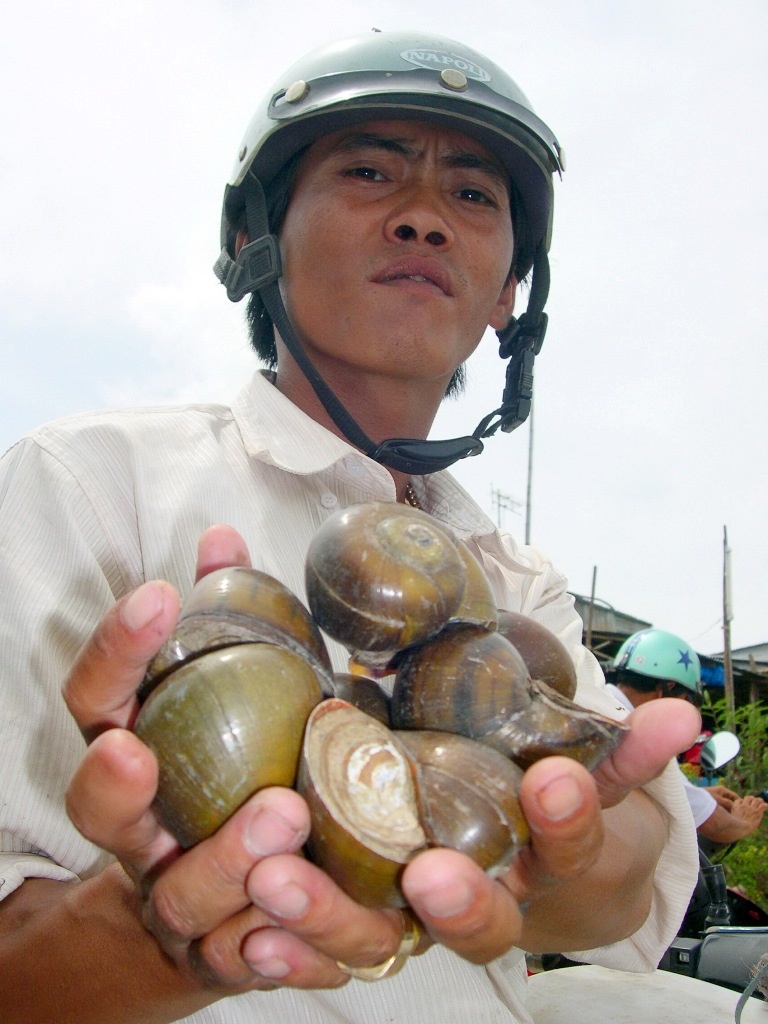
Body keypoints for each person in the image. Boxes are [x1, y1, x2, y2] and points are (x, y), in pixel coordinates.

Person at [0, 30, 701, 1024]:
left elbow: (620, 898)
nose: (423, 216)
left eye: (473, 194)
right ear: (254, 240)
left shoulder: (515, 579)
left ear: (510, 292)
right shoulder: (91, 485)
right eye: (370, 171)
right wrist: (160, 937)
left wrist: (561, 842)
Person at [605, 628, 767, 844]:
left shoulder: (597, 704)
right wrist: (744, 821)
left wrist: (700, 793)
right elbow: (719, 827)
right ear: (666, 690)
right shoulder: (640, 738)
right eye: (687, 699)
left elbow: (663, 791)